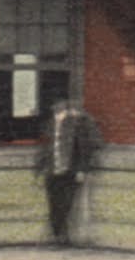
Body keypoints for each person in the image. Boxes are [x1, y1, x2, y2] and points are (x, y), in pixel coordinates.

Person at [33, 98, 101, 245]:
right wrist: (40, 167)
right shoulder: (51, 125)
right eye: (57, 109)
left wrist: (82, 170)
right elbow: (45, 148)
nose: (58, 112)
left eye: (61, 109)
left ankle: (61, 236)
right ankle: (58, 234)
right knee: (54, 203)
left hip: (69, 169)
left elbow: (83, 149)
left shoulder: (77, 124)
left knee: (65, 204)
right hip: (53, 170)